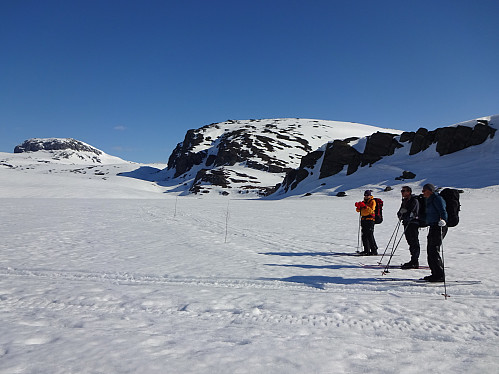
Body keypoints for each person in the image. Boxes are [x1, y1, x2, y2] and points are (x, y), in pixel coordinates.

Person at [421, 183, 448, 282]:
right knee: (430, 250)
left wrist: (444, 220)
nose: (423, 192)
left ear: (430, 191)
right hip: (433, 226)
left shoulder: (437, 199)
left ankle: (440, 275)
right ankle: (435, 273)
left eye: (424, 190)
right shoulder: (430, 199)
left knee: (434, 250)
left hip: (440, 226)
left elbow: (443, 211)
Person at [397, 186, 420, 269]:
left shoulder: (414, 200)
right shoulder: (405, 201)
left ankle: (415, 261)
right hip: (407, 223)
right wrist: (401, 215)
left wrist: (404, 215)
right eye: (401, 191)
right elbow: (400, 212)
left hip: (413, 223)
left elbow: (413, 212)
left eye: (403, 191)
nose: (402, 192)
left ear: (409, 192)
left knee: (414, 242)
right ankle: (413, 260)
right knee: (410, 241)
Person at [355, 190, 378, 256]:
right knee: (364, 235)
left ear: (370, 195)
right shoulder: (364, 201)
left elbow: (371, 211)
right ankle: (366, 250)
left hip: (370, 220)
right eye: (365, 195)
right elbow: (358, 211)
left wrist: (365, 206)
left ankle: (374, 250)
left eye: (367, 195)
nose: (366, 196)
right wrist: (358, 207)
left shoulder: (372, 201)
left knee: (370, 235)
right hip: (364, 220)